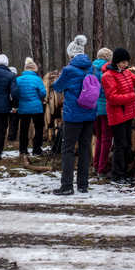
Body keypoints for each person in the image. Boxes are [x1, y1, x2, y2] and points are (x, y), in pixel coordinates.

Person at [51, 35, 97, 195]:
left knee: (68, 149)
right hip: (90, 114)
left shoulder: (69, 70)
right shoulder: (93, 68)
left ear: (71, 55)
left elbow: (57, 87)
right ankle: (83, 185)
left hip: (73, 116)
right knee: (85, 149)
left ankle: (67, 186)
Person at [101, 47, 135, 185]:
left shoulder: (126, 72)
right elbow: (112, 98)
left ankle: (124, 173)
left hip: (128, 114)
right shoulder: (108, 76)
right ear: (117, 61)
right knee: (120, 146)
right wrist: (134, 96)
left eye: (127, 62)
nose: (126, 65)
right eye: (123, 62)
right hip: (117, 116)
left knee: (127, 145)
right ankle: (117, 175)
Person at [16, 57, 47, 156]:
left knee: (24, 128)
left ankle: (23, 150)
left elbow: (15, 93)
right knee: (39, 127)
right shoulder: (37, 79)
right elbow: (43, 94)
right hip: (36, 108)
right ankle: (36, 149)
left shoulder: (18, 79)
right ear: (34, 69)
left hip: (23, 107)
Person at [92, 48, 114, 177]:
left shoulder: (91, 69)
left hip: (93, 108)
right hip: (105, 109)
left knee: (99, 138)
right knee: (107, 139)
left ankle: (96, 165)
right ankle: (102, 169)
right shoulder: (107, 70)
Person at [7, 66, 20, 141]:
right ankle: (12, 138)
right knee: (14, 121)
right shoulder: (16, 80)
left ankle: (10, 137)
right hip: (14, 103)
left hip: (7, 103)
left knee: (11, 121)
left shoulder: (6, 79)